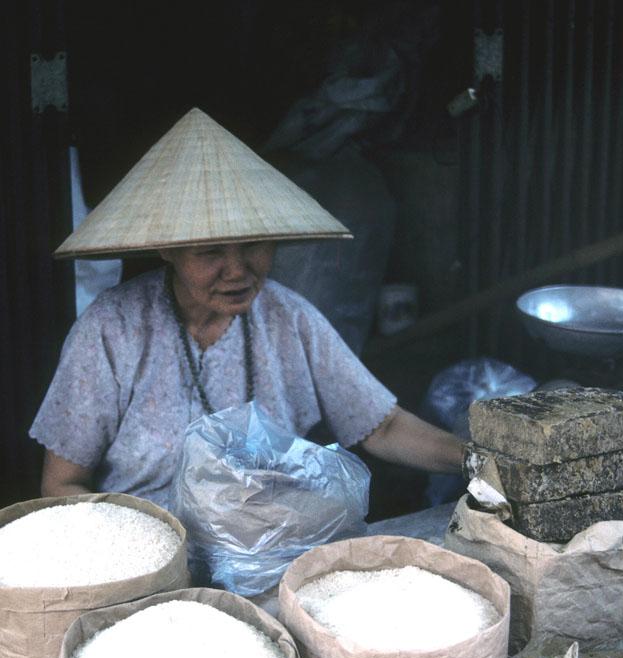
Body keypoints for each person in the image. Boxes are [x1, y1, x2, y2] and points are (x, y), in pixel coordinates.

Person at [31, 109, 464, 510]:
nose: (237, 271)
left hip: (269, 544)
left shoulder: (289, 318)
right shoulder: (114, 328)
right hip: (152, 553)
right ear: (169, 249)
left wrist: (483, 462)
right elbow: (61, 484)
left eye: (254, 244)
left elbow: (382, 427)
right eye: (211, 251)